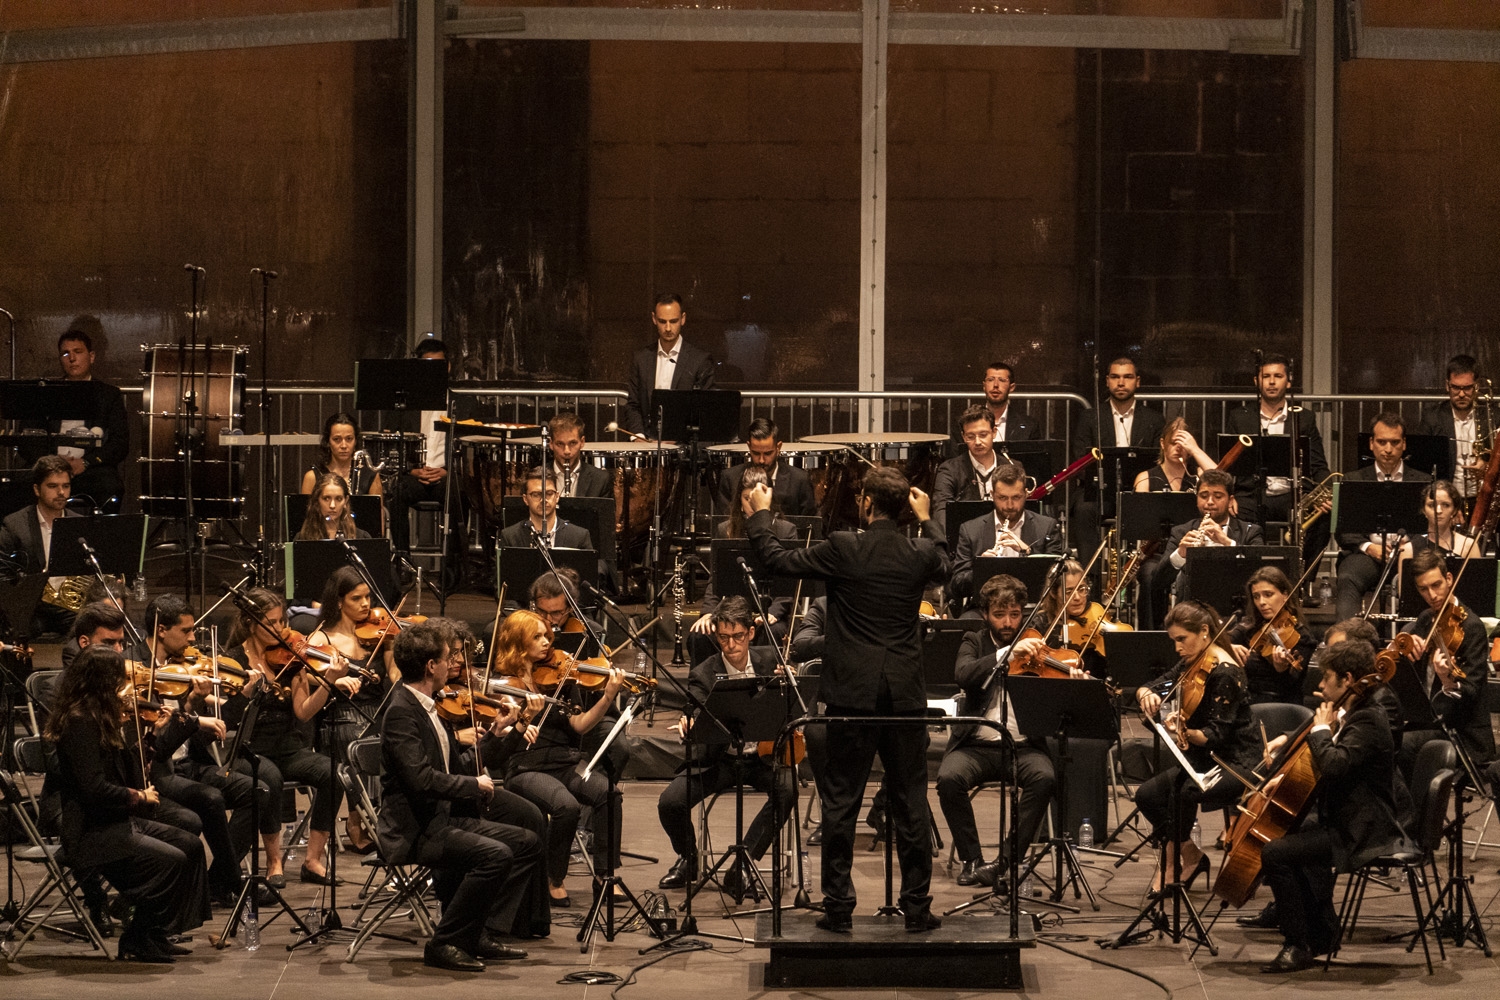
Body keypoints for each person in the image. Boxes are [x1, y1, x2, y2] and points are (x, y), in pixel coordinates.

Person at [745, 465, 950, 933]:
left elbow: (777, 561)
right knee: (911, 803)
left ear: (866, 503)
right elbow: (949, 564)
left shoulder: (844, 547)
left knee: (841, 802)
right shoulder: (919, 551)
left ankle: (838, 908)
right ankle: (917, 908)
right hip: (903, 696)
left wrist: (761, 514)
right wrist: (928, 519)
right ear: (904, 508)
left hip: (852, 694)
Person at [379, 620, 539, 971]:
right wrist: (473, 786)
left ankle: (476, 932)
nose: (452, 664)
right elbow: (421, 780)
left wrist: (498, 733)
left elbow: (460, 765)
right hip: (415, 829)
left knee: (526, 842)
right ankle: (445, 942)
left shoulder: (428, 706)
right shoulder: (401, 712)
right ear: (430, 666)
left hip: (442, 818)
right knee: (495, 855)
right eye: (446, 658)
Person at [44, 645, 208, 962]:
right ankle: (136, 936)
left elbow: (130, 770)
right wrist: (138, 796)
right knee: (172, 859)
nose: (126, 688)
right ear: (102, 682)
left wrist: (151, 735)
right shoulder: (80, 723)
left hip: (115, 822)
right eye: (120, 680)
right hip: (90, 833)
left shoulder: (103, 718)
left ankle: (155, 933)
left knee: (190, 845)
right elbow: (93, 789)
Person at [1254, 639, 1408, 973]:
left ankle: (1297, 944)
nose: (1321, 685)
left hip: (1363, 829)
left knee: (1276, 853)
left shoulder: (1368, 719)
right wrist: (1286, 780)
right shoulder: (1353, 713)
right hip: (1343, 819)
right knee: (1293, 836)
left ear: (1347, 679)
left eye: (1326, 678)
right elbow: (1332, 767)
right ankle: (1320, 934)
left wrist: (1322, 728)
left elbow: (1335, 765)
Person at [656, 597, 796, 900]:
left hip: (761, 758)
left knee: (788, 789)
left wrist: (788, 686)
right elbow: (694, 705)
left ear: (750, 633)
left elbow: (792, 707)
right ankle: (688, 859)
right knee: (670, 802)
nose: (731, 645)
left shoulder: (770, 659)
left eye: (738, 636)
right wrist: (689, 720)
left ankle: (743, 865)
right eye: (723, 637)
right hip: (719, 761)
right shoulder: (704, 672)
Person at [491, 609, 625, 907]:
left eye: (547, 636)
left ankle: (605, 876)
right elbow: (499, 734)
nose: (546, 642)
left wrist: (607, 697)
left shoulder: (561, 679)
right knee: (566, 806)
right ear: (518, 642)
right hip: (526, 767)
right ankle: (553, 878)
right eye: (537, 637)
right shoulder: (505, 686)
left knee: (609, 794)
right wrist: (523, 719)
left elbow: (580, 725)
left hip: (564, 763)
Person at [223, 587, 353, 886]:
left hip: (288, 749)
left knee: (334, 773)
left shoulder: (291, 657)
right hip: (249, 751)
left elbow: (304, 712)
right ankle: (274, 861)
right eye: (272, 622)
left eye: (282, 620)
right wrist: (247, 692)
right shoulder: (233, 660)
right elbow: (229, 717)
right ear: (251, 624)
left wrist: (329, 681)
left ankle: (313, 860)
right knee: (270, 778)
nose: (281, 628)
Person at [939, 574, 1061, 888]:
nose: (1008, 622)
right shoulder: (974, 640)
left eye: (1015, 614)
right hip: (976, 746)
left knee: (1045, 778)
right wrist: (1007, 654)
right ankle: (972, 860)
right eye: (999, 614)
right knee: (949, 779)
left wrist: (1069, 678)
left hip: (1023, 747)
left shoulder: (1037, 644)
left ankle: (1005, 862)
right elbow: (964, 674)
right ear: (985, 614)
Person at [1133, 601, 1258, 892]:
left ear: (1204, 631)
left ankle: (1170, 864)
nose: (1177, 647)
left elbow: (1216, 735)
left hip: (1235, 760)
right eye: (1173, 640)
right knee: (1147, 795)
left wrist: (1184, 732)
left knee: (1183, 792)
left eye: (1181, 639)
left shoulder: (1226, 672)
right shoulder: (1194, 660)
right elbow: (1156, 685)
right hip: (1203, 758)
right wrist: (1146, 694)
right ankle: (1190, 855)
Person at [305, 566, 399, 852]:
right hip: (340, 718)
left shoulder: (379, 633)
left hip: (377, 712)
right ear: (338, 602)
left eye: (367, 597)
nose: (365, 604)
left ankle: (375, 820)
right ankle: (361, 821)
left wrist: (396, 647)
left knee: (398, 739)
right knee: (364, 740)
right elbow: (304, 672)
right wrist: (333, 679)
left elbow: (395, 676)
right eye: (356, 598)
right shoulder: (323, 639)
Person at [1392, 547, 1494, 779]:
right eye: (1423, 589)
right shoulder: (1426, 619)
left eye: (1436, 585)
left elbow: (1471, 693)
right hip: (1429, 722)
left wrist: (1447, 679)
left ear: (1449, 579)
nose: (1432, 595)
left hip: (1461, 733)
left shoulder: (1471, 627)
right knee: (1383, 736)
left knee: (1401, 745)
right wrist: (1402, 649)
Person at [1224, 353, 1331, 555]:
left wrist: (1324, 494)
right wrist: (1227, 495)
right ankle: (1248, 571)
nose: (1272, 382)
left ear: (1288, 382)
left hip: (1293, 494)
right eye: (1266, 376)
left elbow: (1318, 465)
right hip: (1252, 495)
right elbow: (1228, 465)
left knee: (1323, 516)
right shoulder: (1239, 417)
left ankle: (1302, 573)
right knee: (1228, 513)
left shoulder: (1304, 418)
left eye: (1278, 376)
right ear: (1256, 381)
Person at [690, 466, 797, 661]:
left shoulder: (786, 531)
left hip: (770, 611)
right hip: (732, 612)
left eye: (757, 498)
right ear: (739, 501)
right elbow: (716, 580)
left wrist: (773, 612)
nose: (753, 504)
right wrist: (707, 613)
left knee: (771, 633)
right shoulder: (726, 530)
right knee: (700, 635)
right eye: (748, 498)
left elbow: (789, 583)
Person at [1333, 412, 1431, 621]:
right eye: (1382, 442)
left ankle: (1416, 634)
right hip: (1368, 555)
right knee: (1348, 576)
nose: (1388, 449)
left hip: (1410, 554)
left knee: (1427, 573)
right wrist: (1369, 547)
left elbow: (1429, 527)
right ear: (1371, 443)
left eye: (1395, 442)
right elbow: (1343, 532)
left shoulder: (1423, 481)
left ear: (1404, 444)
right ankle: (1346, 637)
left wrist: (1410, 546)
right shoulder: (1353, 479)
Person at [1071, 358, 1167, 560]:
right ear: (1107, 381)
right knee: (1083, 509)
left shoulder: (1154, 419)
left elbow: (1160, 459)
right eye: (1115, 377)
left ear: (1137, 381)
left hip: (1141, 491)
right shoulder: (1090, 417)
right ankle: (1090, 575)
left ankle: (1146, 569)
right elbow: (1080, 458)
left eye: (1127, 377)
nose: (1121, 383)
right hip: (1100, 490)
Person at [387, 338, 464, 590]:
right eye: (426, 366)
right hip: (415, 474)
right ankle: (403, 563)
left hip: (446, 474)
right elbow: (394, 446)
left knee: (458, 495)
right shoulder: (405, 406)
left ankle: (451, 571)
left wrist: (446, 471)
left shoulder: (463, 404)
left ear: (448, 367)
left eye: (437, 365)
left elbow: (468, 450)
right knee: (396, 492)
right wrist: (412, 470)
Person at [1148, 469, 1264, 622]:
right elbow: (1158, 582)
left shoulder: (1250, 532)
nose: (1209, 502)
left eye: (1218, 496)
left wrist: (1227, 543)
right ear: (1197, 499)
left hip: (1238, 613)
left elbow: (1260, 574)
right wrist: (1180, 554)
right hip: (1192, 615)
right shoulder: (1181, 531)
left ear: (1230, 500)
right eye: (1203, 496)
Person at [949, 462, 1063, 614]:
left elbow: (1058, 578)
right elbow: (957, 586)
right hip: (985, 611)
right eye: (1002, 498)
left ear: (1026, 493)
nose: (1009, 505)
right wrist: (981, 568)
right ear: (992, 494)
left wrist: (1027, 552)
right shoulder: (970, 530)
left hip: (1032, 611)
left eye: (1016, 497)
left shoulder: (1047, 526)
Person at [37, 329, 130, 512]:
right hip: (50, 466)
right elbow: (29, 437)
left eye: (78, 352)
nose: (71, 358)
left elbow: (120, 443)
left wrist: (86, 462)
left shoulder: (108, 395)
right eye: (65, 353)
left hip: (91, 468)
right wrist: (51, 461)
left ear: (91, 356)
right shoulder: (46, 393)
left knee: (110, 487)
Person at [0, 455, 84, 635]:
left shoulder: (79, 523)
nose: (61, 492)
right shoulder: (14, 525)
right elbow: (3, 575)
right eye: (52, 486)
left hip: (69, 607)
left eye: (66, 486)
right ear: (37, 490)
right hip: (31, 607)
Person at [622, 293, 718, 438]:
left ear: (683, 319)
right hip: (647, 442)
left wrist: (680, 438)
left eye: (673, 321)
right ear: (654, 319)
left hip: (684, 444)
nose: (668, 328)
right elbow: (633, 404)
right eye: (662, 321)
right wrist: (638, 437)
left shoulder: (700, 360)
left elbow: (706, 409)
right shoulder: (641, 358)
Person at [1228, 567, 1318, 705]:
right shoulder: (1250, 625)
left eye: (1268, 594)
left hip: (1279, 706)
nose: (1261, 602)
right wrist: (1228, 647)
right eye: (1256, 596)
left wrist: (1281, 670)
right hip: (1246, 700)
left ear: (1285, 595)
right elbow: (1222, 640)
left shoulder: (1302, 636)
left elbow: (1292, 684)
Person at [1417, 354, 1488, 504]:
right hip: (1446, 500)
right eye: (1455, 387)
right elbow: (1421, 464)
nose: (1461, 394)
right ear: (1447, 385)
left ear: (1476, 386)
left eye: (1467, 388)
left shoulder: (1492, 416)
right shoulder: (1432, 417)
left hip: (1483, 499)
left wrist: (1487, 466)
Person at [714, 417, 816, 517]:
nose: (761, 460)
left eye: (768, 453)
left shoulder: (799, 480)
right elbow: (723, 523)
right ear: (749, 446)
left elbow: (809, 523)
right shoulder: (730, 478)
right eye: (756, 453)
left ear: (778, 447)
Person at [931, 405, 1002, 531]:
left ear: (994, 432)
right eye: (970, 436)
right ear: (963, 437)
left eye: (983, 435)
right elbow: (942, 511)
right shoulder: (949, 470)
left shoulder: (1012, 467)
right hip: (963, 537)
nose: (977, 442)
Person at [499, 468, 595, 551]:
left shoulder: (579, 536)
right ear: (525, 499)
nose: (543, 500)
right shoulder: (510, 537)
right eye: (536, 495)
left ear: (557, 496)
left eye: (549, 494)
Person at [300, 410, 384, 500]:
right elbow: (307, 509)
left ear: (355, 441)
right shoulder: (312, 477)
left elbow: (378, 509)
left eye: (349, 439)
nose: (344, 446)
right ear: (328, 442)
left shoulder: (370, 476)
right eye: (337, 439)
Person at [1396, 479, 1478, 568]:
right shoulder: (1408, 550)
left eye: (1446, 505)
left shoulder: (1469, 546)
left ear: (1454, 510)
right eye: (1432, 505)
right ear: (1424, 510)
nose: (1438, 511)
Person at [1133, 417, 1217, 493]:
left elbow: (1221, 481)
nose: (1178, 448)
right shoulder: (1145, 479)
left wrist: (1195, 450)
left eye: (1184, 444)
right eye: (1173, 443)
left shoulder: (1198, 474)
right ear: (1162, 443)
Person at [547, 411, 612, 499]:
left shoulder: (600, 480)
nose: (567, 451)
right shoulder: (536, 479)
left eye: (572, 443)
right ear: (551, 444)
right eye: (560, 444)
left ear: (582, 442)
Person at [294, 472, 369, 541]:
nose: (332, 505)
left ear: (345, 501)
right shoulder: (302, 538)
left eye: (338, 499)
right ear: (317, 501)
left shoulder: (362, 538)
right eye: (326, 498)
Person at [981, 361, 1038, 442]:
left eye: (1002, 380)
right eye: (990, 380)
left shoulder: (1030, 426)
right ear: (984, 386)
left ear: (1011, 387)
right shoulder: (967, 422)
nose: (995, 385)